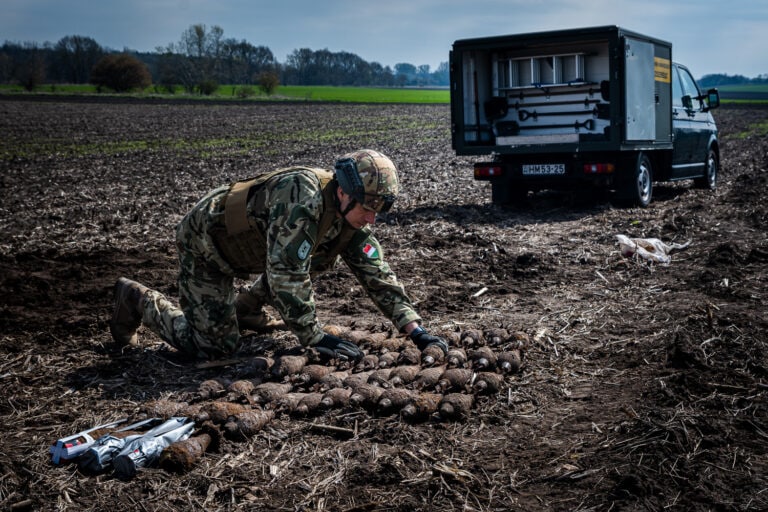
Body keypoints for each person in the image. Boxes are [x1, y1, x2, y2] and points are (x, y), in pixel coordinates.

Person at [109, 149, 448, 363]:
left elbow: (377, 273)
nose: (372, 219)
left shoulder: (351, 218)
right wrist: (313, 336)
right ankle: (137, 300)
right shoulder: (302, 198)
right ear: (344, 192)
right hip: (208, 247)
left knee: (320, 254)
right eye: (368, 208)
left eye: (379, 211)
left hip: (257, 254)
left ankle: (245, 309)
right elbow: (287, 272)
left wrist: (414, 329)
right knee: (214, 349)